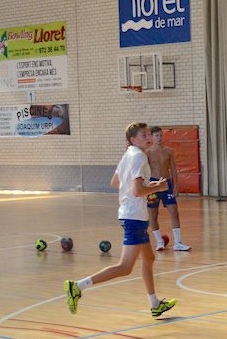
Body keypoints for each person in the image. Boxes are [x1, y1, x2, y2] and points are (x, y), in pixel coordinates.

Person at [63, 123, 177, 317]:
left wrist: (149, 184)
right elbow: (137, 190)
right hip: (133, 216)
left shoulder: (128, 155)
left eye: (149, 134)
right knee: (125, 267)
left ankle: (155, 303)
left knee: (148, 258)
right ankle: (78, 286)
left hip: (132, 214)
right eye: (143, 135)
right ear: (133, 139)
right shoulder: (139, 157)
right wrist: (157, 188)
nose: (148, 137)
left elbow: (115, 182)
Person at [147, 126, 190, 251]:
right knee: (153, 214)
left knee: (174, 212)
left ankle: (177, 243)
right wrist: (145, 187)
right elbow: (144, 170)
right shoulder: (148, 152)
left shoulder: (169, 151)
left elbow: (173, 169)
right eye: (157, 136)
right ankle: (159, 241)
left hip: (166, 184)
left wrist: (175, 185)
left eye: (161, 135)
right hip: (153, 184)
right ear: (152, 137)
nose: (159, 138)